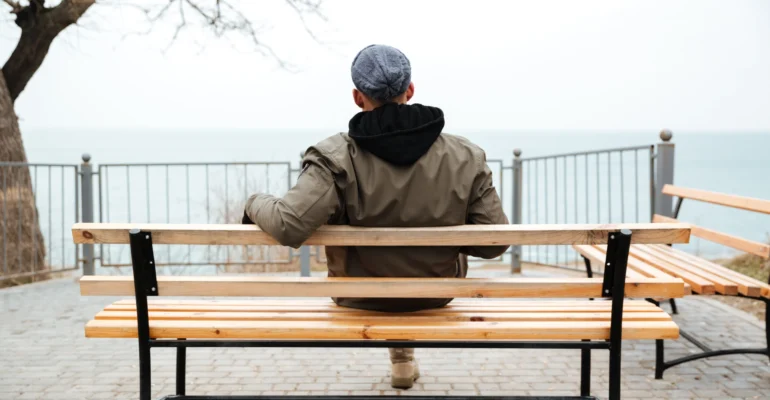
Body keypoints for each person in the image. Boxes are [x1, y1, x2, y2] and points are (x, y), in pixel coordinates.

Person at [242, 44, 509, 389]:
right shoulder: (465, 156)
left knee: (382, 267)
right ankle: (403, 357)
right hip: (433, 293)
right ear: (409, 90)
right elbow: (494, 243)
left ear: (357, 97)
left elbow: (288, 224)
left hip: (358, 295)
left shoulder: (335, 157)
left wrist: (253, 202)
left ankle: (401, 358)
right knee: (409, 270)